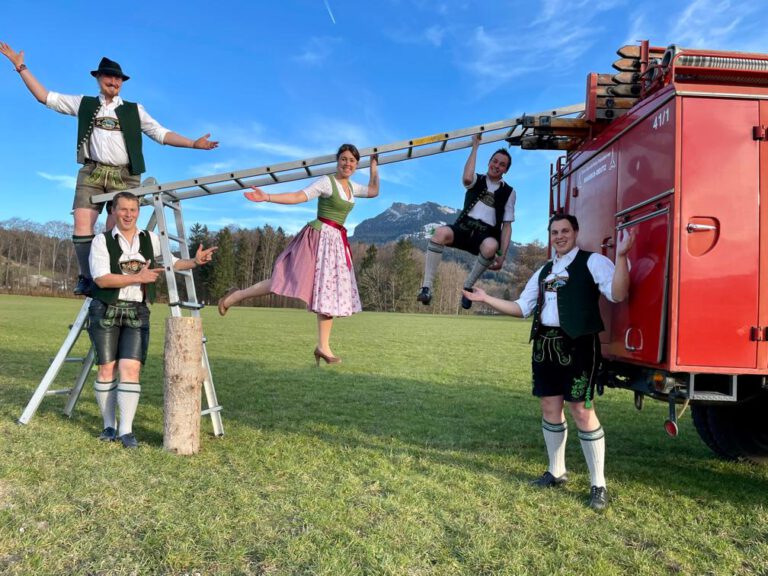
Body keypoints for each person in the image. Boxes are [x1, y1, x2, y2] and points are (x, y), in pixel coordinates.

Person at [0, 42, 219, 296]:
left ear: (122, 83)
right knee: (82, 224)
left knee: (116, 230)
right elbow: (45, 97)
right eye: (109, 77)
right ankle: (86, 276)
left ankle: (114, 280)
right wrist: (20, 66)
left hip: (125, 176)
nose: (113, 82)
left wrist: (193, 143)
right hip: (92, 172)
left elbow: (160, 133)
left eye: (118, 79)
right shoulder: (84, 104)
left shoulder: (134, 110)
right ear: (98, 78)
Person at [462, 214, 635, 511]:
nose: (559, 236)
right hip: (545, 345)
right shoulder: (543, 271)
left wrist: (621, 256)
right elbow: (521, 307)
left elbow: (618, 294)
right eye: (554, 232)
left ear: (576, 233)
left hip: (579, 344)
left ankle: (599, 484)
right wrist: (486, 298)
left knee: (581, 409)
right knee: (549, 407)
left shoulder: (592, 262)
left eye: (565, 231)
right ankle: (556, 471)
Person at [217, 144, 379, 365]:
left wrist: (374, 167)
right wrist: (267, 197)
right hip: (317, 238)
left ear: (356, 164)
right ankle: (235, 297)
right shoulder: (326, 182)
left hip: (336, 245)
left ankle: (323, 346)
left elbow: (374, 190)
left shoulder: (352, 187)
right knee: (283, 281)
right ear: (337, 161)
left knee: (328, 294)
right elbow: (298, 196)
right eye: (343, 159)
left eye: (352, 160)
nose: (347, 163)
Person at [88, 191, 217, 448]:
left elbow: (171, 262)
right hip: (105, 308)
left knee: (131, 369)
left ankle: (126, 430)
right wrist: (138, 277)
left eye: (132, 210)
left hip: (137, 309)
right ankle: (108, 426)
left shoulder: (151, 239)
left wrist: (193, 261)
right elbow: (102, 279)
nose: (127, 214)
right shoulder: (101, 241)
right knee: (106, 369)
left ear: (138, 212)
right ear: (113, 211)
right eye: (122, 209)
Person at [417, 133, 515, 309]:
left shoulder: (509, 192)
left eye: (502, 165)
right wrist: (475, 146)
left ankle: (468, 287)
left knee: (492, 246)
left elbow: (507, 226)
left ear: (506, 170)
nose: (497, 166)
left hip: (485, 235)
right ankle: (426, 287)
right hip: (463, 227)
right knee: (439, 233)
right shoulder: (477, 179)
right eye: (495, 161)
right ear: (489, 162)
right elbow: (466, 178)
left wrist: (502, 256)